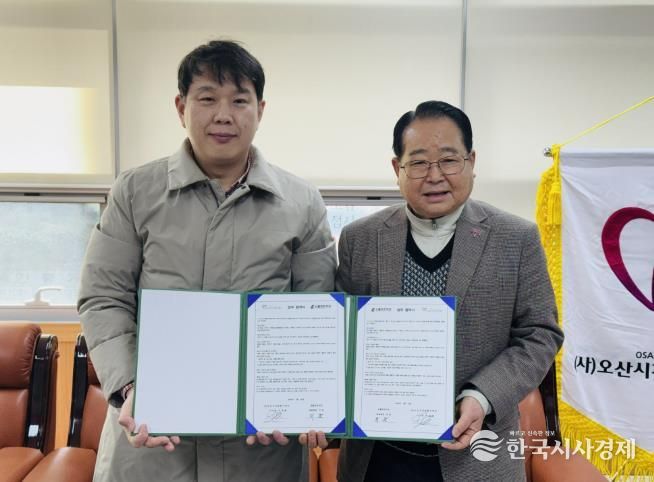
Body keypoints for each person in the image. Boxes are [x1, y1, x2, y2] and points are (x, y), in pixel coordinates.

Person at [78, 40, 336, 482]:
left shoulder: (302, 202)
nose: (223, 115)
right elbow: (103, 297)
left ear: (260, 110)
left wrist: (297, 400)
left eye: (239, 100)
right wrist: (132, 386)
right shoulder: (135, 192)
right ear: (181, 107)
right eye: (207, 98)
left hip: (259, 453)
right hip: (154, 444)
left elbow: (315, 313)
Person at [335, 100, 564, 481]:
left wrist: (482, 395)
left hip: (477, 457)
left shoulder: (516, 238)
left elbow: (541, 334)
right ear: (397, 168)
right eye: (419, 162)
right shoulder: (360, 238)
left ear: (471, 162)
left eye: (448, 160)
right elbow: (339, 334)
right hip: (376, 458)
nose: (434, 175)